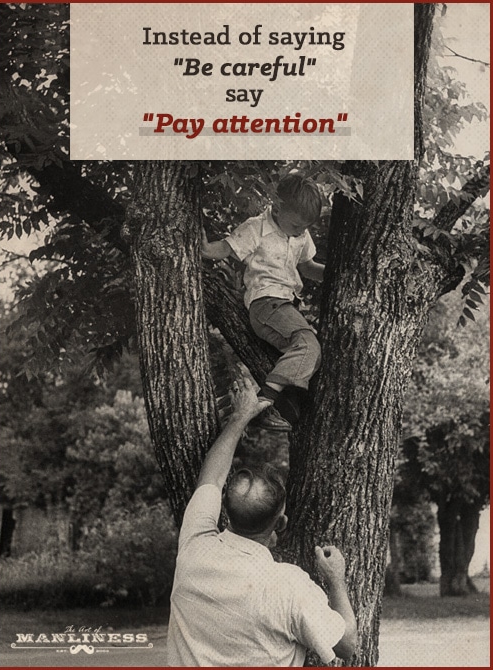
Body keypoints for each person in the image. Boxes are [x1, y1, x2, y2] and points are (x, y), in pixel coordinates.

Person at [167, 378, 358, 667]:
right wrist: (336, 580)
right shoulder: (288, 585)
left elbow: (211, 479)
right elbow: (346, 645)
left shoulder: (194, 548)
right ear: (280, 524)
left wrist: (240, 416)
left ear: (225, 513)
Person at [202, 172, 325, 432]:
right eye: (296, 226)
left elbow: (308, 266)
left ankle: (287, 406)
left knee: (308, 355)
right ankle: (266, 403)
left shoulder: (300, 235)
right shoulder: (256, 227)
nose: (301, 231)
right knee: (307, 344)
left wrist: (338, 273)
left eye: (305, 227)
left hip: (286, 306)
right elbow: (225, 248)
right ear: (278, 208)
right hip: (266, 303)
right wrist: (204, 248)